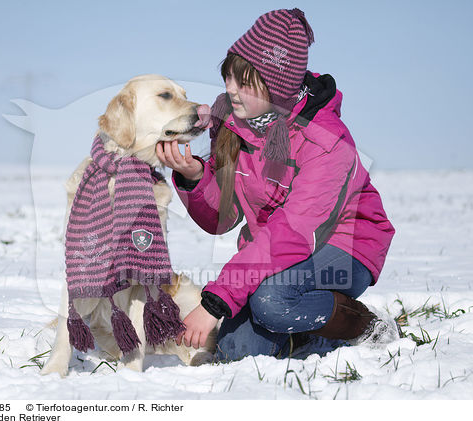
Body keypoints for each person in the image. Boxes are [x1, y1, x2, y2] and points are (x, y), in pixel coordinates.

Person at [156, 8, 398, 361]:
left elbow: (292, 233)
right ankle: (307, 335)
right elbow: (222, 219)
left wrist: (215, 301)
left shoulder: (326, 142)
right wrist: (193, 177)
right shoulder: (233, 121)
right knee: (237, 353)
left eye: (244, 83)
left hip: (345, 246)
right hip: (274, 252)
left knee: (272, 301)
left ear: (278, 86)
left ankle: (366, 327)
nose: (230, 92)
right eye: (228, 78)